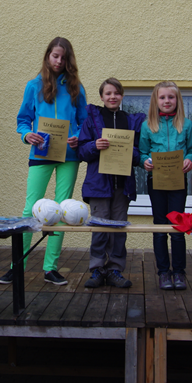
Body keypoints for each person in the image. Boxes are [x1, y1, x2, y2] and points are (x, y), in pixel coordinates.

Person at [0, 37, 87, 286]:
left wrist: (79, 137)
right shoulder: (33, 86)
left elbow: (85, 122)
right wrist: (27, 134)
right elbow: (23, 120)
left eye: (64, 58)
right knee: (30, 210)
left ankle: (50, 268)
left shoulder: (76, 88)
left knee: (61, 210)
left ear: (69, 60)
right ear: (48, 55)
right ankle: (18, 266)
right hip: (41, 153)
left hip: (69, 156)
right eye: (55, 56)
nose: (59, 61)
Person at [78, 78, 146, 288]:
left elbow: (139, 153)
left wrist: (130, 151)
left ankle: (115, 269)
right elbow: (81, 150)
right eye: (108, 93)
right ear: (101, 97)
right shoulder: (92, 119)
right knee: (100, 229)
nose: (112, 97)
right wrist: (94, 146)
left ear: (122, 96)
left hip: (122, 185)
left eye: (116, 93)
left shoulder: (131, 121)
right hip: (98, 185)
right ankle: (97, 269)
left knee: (118, 231)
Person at [140, 81, 192, 290]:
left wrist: (190, 159)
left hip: (177, 181)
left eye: (171, 97)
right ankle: (163, 272)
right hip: (156, 181)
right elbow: (142, 152)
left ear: (177, 100)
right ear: (155, 100)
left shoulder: (186, 124)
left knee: (178, 226)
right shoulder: (147, 125)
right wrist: (145, 161)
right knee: (160, 226)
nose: (166, 101)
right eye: (162, 97)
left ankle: (179, 272)